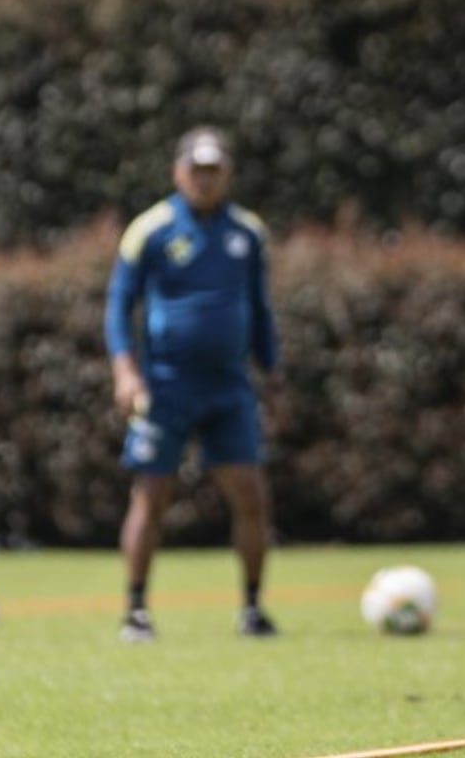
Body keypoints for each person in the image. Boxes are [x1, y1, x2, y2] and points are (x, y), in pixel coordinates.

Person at [104, 126, 286, 640]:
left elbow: (260, 310)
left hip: (229, 387)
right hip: (165, 385)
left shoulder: (247, 233)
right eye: (196, 170)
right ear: (177, 171)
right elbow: (119, 303)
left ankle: (252, 608)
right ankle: (136, 610)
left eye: (215, 170)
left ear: (228, 174)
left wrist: (273, 375)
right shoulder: (152, 229)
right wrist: (125, 369)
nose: (205, 180)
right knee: (151, 494)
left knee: (251, 495)